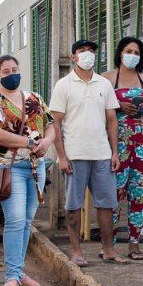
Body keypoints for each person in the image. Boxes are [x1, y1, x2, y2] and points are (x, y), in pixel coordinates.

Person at [0, 55, 54, 286]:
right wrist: (27, 141)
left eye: (14, 69)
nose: (11, 74)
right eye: (5, 71)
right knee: (13, 220)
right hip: (8, 168)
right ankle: (12, 276)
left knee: (26, 222)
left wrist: (45, 142)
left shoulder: (35, 98)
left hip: (35, 167)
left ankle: (19, 272)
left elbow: (51, 125)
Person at [50, 40, 126, 267]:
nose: (88, 55)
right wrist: (62, 157)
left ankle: (108, 249)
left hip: (102, 154)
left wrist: (115, 153)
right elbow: (55, 123)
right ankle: (76, 251)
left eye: (91, 51)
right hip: (74, 155)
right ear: (74, 57)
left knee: (106, 204)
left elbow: (112, 120)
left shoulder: (104, 84)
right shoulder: (63, 85)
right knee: (73, 207)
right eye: (82, 52)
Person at [102, 37, 143, 261]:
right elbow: (101, 110)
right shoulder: (107, 78)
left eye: (136, 52)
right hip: (118, 143)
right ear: (120, 53)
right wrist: (118, 106)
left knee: (138, 193)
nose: (132, 55)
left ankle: (134, 242)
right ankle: (110, 243)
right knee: (115, 193)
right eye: (128, 51)